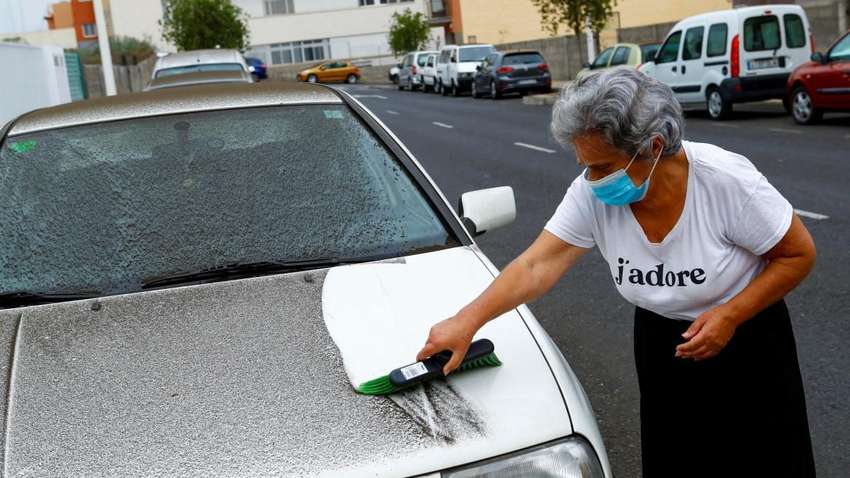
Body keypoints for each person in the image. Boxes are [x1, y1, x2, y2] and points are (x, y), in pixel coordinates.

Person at [416, 68, 817, 477]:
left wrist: (730, 315)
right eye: (585, 166)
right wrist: (467, 321)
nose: (593, 180)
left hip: (747, 338)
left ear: (654, 147)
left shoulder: (724, 182)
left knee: (765, 459)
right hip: (664, 342)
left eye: (604, 166)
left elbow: (798, 254)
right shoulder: (590, 194)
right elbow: (537, 264)